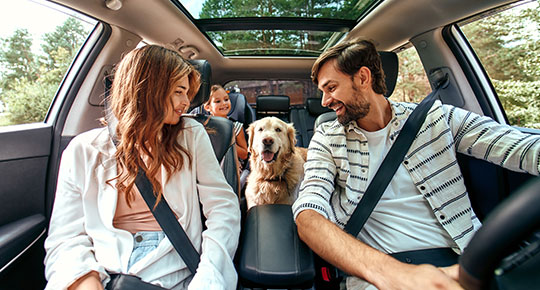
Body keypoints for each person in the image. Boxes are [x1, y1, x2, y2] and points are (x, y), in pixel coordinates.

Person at [292, 38, 540, 290]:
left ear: (363, 78)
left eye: (331, 88)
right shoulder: (326, 137)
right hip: (379, 272)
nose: (324, 101)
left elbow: (519, 147)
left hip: (466, 261)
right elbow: (309, 214)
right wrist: (394, 275)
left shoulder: (437, 117)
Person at [44, 45, 241, 290]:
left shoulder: (191, 135)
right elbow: (65, 237)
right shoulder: (83, 149)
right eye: (179, 91)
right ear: (150, 89)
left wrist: (209, 276)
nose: (186, 103)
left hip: (174, 268)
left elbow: (223, 208)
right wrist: (84, 279)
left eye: (188, 93)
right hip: (105, 269)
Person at [204, 84, 249, 168]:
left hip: (231, 166)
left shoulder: (236, 126)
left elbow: (244, 155)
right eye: (218, 101)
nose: (224, 103)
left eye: (226, 99)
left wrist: (227, 143)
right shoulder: (204, 126)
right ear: (207, 107)